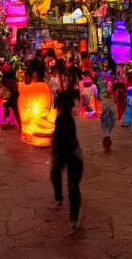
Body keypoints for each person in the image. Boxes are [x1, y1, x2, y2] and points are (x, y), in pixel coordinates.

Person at [50, 99, 84, 231]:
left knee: (70, 183)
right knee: (72, 184)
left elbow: (58, 137)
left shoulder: (63, 119)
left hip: (70, 153)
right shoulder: (66, 118)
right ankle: (73, 218)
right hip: (70, 153)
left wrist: (55, 152)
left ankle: (73, 214)